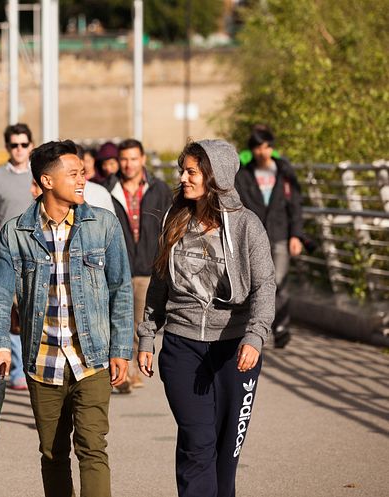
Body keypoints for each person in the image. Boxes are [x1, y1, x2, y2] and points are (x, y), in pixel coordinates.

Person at [0, 140, 133, 497]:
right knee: (52, 452)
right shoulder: (15, 233)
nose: (82, 179)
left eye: (83, 172)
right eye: (74, 173)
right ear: (47, 181)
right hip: (43, 358)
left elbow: (121, 289)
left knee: (92, 446)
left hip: (93, 357)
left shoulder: (103, 224)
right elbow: (0, 294)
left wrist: (121, 348)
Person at [137, 139, 276, 497]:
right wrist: (147, 335)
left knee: (225, 453)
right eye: (183, 170)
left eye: (191, 171)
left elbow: (264, 285)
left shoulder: (247, 227)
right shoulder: (175, 218)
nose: (183, 177)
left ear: (216, 176)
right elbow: (159, 281)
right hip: (182, 346)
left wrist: (255, 336)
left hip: (233, 351)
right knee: (197, 441)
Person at [104, 138, 172, 392]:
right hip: (116, 266)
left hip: (148, 266)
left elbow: (170, 226)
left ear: (142, 159)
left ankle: (129, 371)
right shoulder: (107, 189)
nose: (128, 164)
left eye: (133, 158)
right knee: (117, 319)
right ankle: (122, 369)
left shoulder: (160, 189)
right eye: (124, 159)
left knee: (138, 323)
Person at [235, 127, 303, 348]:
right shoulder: (244, 174)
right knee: (257, 282)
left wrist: (296, 235)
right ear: (252, 150)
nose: (263, 152)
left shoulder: (284, 171)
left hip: (280, 234)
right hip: (254, 236)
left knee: (278, 282)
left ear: (272, 148)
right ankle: (258, 327)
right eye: (258, 147)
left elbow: (295, 205)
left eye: (266, 146)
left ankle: (280, 325)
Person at [0, 123, 35, 390]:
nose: (19, 149)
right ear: (7, 148)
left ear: (31, 146)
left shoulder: (40, 175)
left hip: (38, 254)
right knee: (11, 312)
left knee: (33, 311)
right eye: (14, 145)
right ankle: (17, 368)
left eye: (23, 144)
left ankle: (33, 363)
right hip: (6, 254)